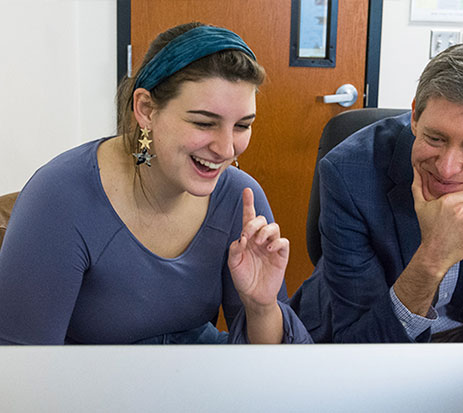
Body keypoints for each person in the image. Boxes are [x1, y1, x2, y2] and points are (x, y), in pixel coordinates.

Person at [0, 22, 311, 345]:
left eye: (242, 126)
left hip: (200, 380)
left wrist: (261, 307)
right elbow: (20, 366)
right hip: (90, 388)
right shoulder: (60, 197)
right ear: (146, 109)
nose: (226, 149)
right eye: (204, 123)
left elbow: (267, 371)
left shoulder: (239, 197)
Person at [293, 42, 463, 344]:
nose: (447, 168)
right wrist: (433, 256)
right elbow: (359, 344)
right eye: (435, 138)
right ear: (415, 116)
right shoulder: (348, 172)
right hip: (357, 336)